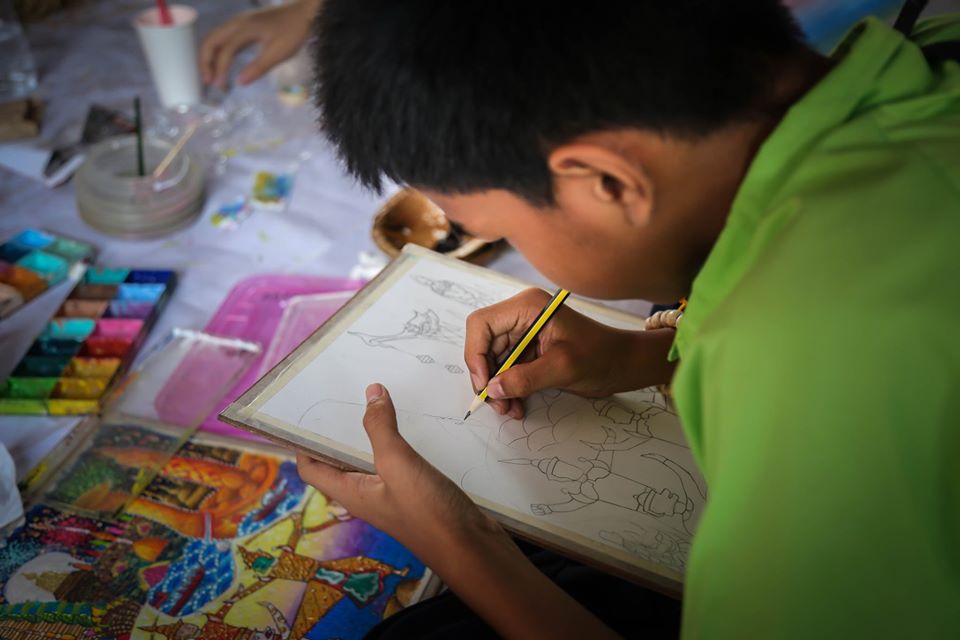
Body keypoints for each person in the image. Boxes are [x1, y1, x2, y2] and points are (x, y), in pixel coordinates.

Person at [284, 0, 958, 638]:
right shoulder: (924, 52)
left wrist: (462, 542)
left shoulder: (814, 370)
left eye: (494, 228)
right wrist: (652, 354)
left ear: (606, 183)